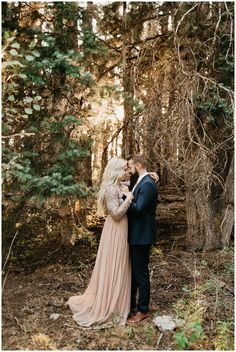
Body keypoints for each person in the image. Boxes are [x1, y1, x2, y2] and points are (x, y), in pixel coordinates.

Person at [66, 156, 134, 327]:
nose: (127, 171)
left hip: (121, 230)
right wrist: (130, 198)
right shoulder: (111, 189)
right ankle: (109, 305)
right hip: (115, 230)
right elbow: (116, 214)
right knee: (114, 265)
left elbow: (137, 183)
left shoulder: (120, 186)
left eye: (128, 168)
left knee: (120, 264)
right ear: (117, 171)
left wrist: (151, 174)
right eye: (125, 169)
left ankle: (117, 301)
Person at [121, 154, 158, 324]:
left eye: (130, 166)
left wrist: (126, 197)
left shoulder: (148, 184)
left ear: (140, 165)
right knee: (135, 273)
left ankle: (143, 310)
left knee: (141, 273)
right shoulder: (142, 181)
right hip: (137, 234)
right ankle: (131, 305)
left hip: (142, 235)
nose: (129, 169)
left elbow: (138, 209)